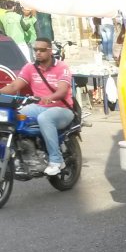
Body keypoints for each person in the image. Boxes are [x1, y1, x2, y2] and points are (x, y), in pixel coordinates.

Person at [0, 36, 74, 175]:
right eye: (36, 50)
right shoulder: (30, 67)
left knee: (45, 118)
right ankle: (23, 152)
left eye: (42, 50)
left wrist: (50, 97)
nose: (38, 52)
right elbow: (15, 86)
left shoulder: (61, 67)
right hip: (39, 107)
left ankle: (56, 160)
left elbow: (63, 90)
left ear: (50, 51)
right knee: (16, 116)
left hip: (62, 109)